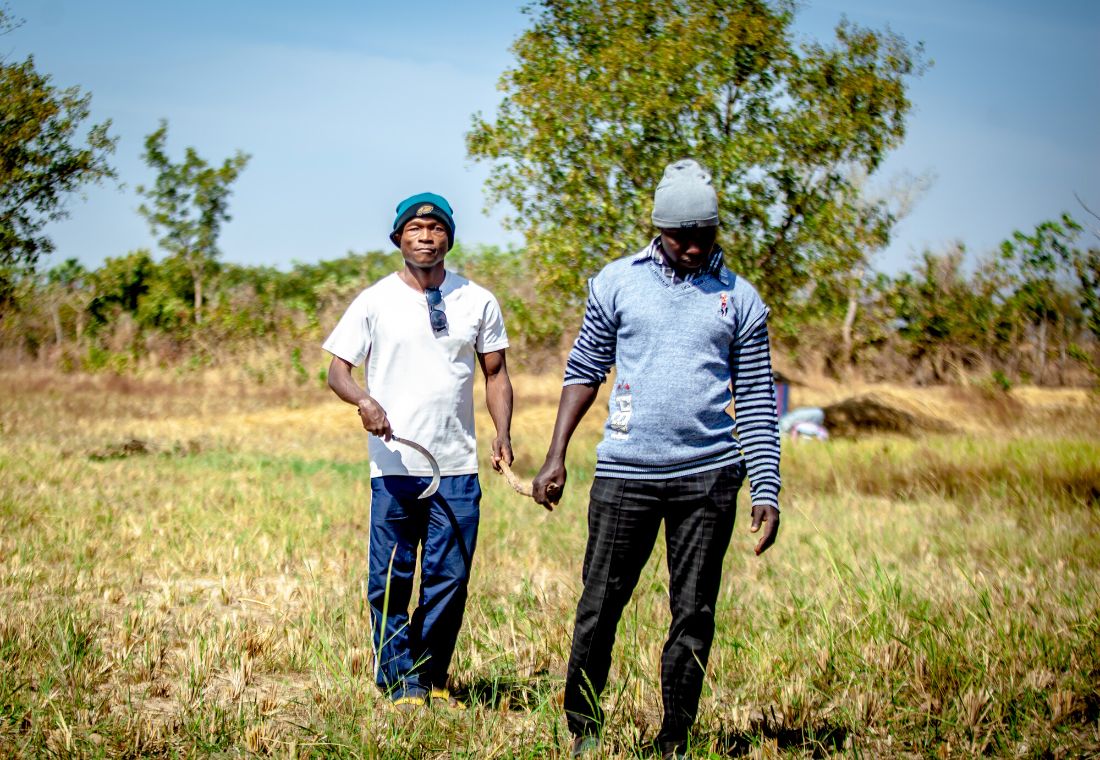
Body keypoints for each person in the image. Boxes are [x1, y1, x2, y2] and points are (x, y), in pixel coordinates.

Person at [531, 159, 782, 757]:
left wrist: (766, 489)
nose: (694, 246)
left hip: (709, 478)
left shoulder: (740, 300)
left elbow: (755, 400)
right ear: (658, 229)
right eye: (680, 235)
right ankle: (583, 733)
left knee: (693, 613)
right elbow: (585, 369)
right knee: (599, 606)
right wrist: (555, 455)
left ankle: (674, 739)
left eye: (706, 234)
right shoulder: (616, 283)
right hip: (625, 476)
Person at [324, 192, 514, 711]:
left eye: (435, 228)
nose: (425, 235)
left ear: (449, 238)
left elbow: (496, 373)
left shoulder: (478, 300)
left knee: (450, 578)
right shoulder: (373, 301)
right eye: (414, 228)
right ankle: (397, 682)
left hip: (457, 464)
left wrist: (503, 432)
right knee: (390, 577)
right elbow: (337, 370)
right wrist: (363, 399)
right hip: (394, 467)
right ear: (398, 239)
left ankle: (429, 676)